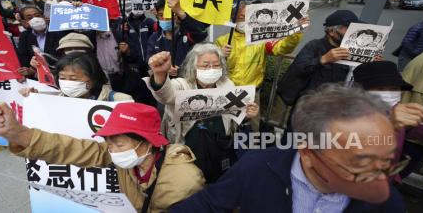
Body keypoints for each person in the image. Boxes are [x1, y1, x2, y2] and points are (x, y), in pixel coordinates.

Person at [170, 84, 405, 212]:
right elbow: (208, 205)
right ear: (307, 152)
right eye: (358, 162)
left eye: (385, 163)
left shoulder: (385, 202)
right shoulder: (256, 168)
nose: (375, 177)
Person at [0, 102, 205, 212]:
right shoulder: (127, 157)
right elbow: (70, 148)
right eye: (108, 142)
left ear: (147, 142)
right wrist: (20, 134)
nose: (112, 150)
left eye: (119, 142)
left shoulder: (184, 179)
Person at [146, 43, 259, 182]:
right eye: (205, 65)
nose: (211, 69)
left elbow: (234, 115)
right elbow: (165, 95)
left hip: (220, 147)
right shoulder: (182, 85)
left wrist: (246, 116)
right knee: (190, 184)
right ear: (193, 67)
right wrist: (160, 74)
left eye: (216, 65)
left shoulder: (227, 84)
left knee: (218, 181)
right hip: (188, 149)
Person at [216, 1, 306, 131]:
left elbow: (282, 48)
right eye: (241, 16)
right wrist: (220, 54)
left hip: (252, 93)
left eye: (249, 16)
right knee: (226, 125)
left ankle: (252, 148)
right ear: (233, 18)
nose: (245, 20)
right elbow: (212, 66)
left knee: (253, 127)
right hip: (227, 91)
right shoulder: (222, 40)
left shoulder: (261, 38)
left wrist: (296, 31)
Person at [353, 61, 423, 181]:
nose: (389, 93)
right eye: (380, 89)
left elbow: (416, 129)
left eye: (394, 89)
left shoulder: (396, 112)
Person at [277, 10, 359, 106]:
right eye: (349, 29)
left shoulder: (354, 51)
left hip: (336, 107)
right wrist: (323, 59)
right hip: (308, 105)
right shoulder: (314, 46)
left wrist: (372, 64)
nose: (353, 34)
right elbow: (298, 69)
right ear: (332, 31)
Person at [22, 52, 132, 102]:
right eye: (63, 78)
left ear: (93, 79)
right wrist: (34, 99)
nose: (67, 82)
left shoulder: (120, 101)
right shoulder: (55, 101)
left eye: (74, 79)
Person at [146, 0, 208, 76]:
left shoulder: (187, 33)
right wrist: (163, 70)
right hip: (165, 84)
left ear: (176, 15)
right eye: (161, 15)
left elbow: (201, 34)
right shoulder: (154, 38)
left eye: (169, 14)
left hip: (188, 81)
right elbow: (150, 63)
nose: (165, 18)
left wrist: (180, 12)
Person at [16, 6, 64, 77]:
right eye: (29, 18)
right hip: (39, 78)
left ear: (43, 16)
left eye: (37, 15)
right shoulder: (25, 36)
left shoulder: (58, 31)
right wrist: (29, 70)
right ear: (25, 22)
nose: (35, 19)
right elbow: (24, 58)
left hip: (60, 74)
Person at [124, 6, 156, 77]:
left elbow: (160, 31)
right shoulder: (125, 23)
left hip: (149, 64)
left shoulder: (149, 21)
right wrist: (121, 30)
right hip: (134, 65)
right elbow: (122, 40)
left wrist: (156, 15)